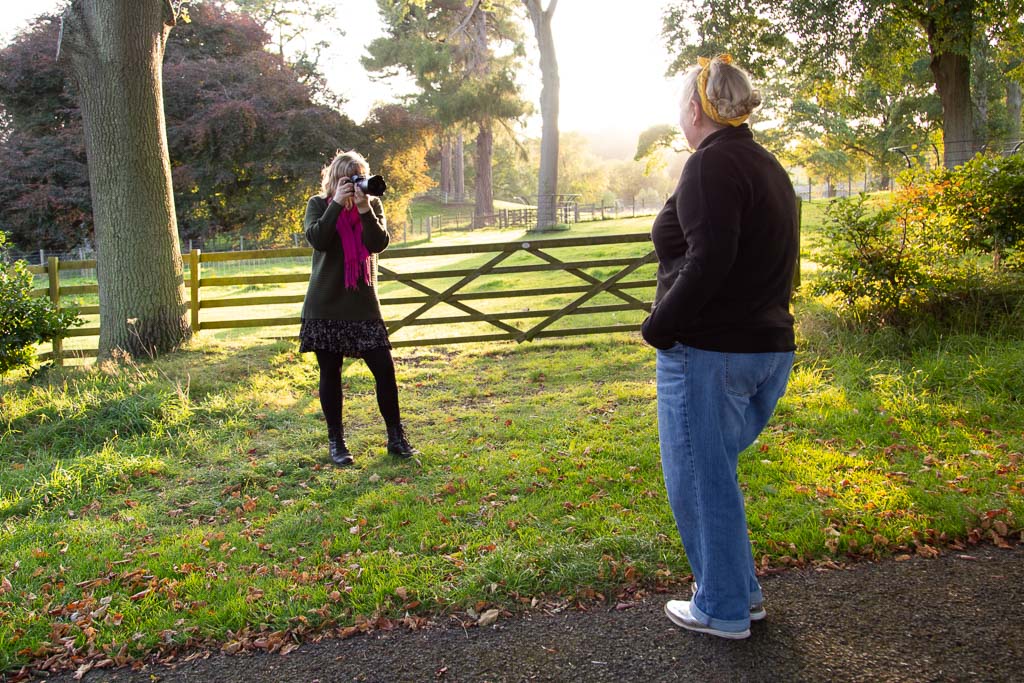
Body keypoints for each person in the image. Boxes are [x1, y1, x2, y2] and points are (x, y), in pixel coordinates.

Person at [641, 55, 798, 639]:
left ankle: (723, 608)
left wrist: (660, 326)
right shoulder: (764, 164)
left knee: (698, 478)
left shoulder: (709, 166)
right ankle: (741, 594)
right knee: (716, 476)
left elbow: (710, 260)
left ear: (693, 107)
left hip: (710, 350)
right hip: (764, 347)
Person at [300, 150, 415, 466]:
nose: (356, 185)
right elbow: (318, 239)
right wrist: (336, 203)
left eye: (360, 178)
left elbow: (378, 243)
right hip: (325, 305)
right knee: (331, 373)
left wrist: (364, 207)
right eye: (350, 179)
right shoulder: (318, 205)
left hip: (363, 305)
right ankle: (337, 442)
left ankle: (396, 438)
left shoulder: (373, 205)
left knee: (384, 371)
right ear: (335, 180)